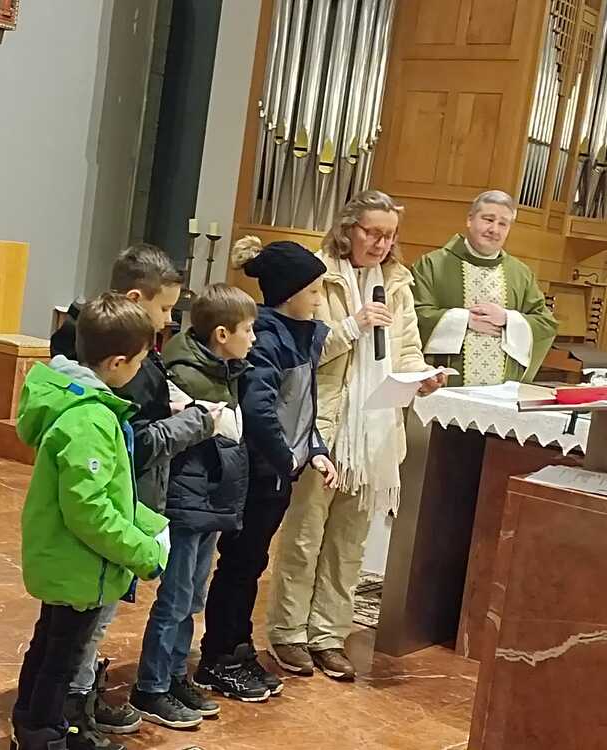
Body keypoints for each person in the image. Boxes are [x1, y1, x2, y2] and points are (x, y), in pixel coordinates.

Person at [265, 190, 445, 682]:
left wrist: (421, 375)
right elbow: (301, 351)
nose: (381, 244)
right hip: (325, 424)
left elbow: (406, 349)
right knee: (305, 536)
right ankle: (288, 632)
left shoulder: (398, 283)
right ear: (348, 229)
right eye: (373, 232)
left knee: (349, 542)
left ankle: (328, 635)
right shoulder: (316, 273)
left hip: (375, 430)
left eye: (390, 235)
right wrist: (353, 325)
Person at [52, 245, 215, 748]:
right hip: (113, 509)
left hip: (122, 503)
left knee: (87, 620)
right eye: (164, 309)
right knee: (88, 620)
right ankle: (72, 711)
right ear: (134, 299)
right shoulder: (114, 370)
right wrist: (195, 423)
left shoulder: (112, 351)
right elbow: (137, 444)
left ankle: (73, 702)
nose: (169, 321)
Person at [10, 293, 171, 750]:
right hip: (78, 565)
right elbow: (90, 510)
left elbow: (109, 493)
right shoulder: (90, 419)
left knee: (50, 646)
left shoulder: (79, 403)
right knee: (60, 660)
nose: (142, 368)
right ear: (118, 363)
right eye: (141, 360)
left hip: (68, 562)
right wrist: (145, 552)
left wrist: (147, 522)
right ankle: (43, 735)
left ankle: (33, 728)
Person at [194, 240, 338, 702]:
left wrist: (314, 448)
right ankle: (219, 656)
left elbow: (302, 406)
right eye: (314, 291)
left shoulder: (302, 334)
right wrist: (287, 459)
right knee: (239, 565)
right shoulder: (269, 339)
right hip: (259, 474)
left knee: (252, 564)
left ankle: (237, 648)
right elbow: (260, 413)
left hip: (279, 471)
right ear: (289, 292)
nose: (319, 299)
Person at [130, 283, 257, 729]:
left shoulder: (226, 369)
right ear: (222, 334)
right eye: (248, 330)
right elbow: (201, 433)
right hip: (186, 501)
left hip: (211, 499)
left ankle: (174, 676)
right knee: (175, 598)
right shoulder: (186, 374)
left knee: (192, 598)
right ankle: (151, 687)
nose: (254, 339)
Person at [411, 190, 558, 386]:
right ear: (470, 219)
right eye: (488, 219)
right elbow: (412, 317)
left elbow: (546, 323)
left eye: (503, 224)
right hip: (445, 387)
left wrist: (508, 319)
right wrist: (464, 320)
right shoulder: (432, 265)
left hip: (500, 392)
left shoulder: (520, 274)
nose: (494, 229)